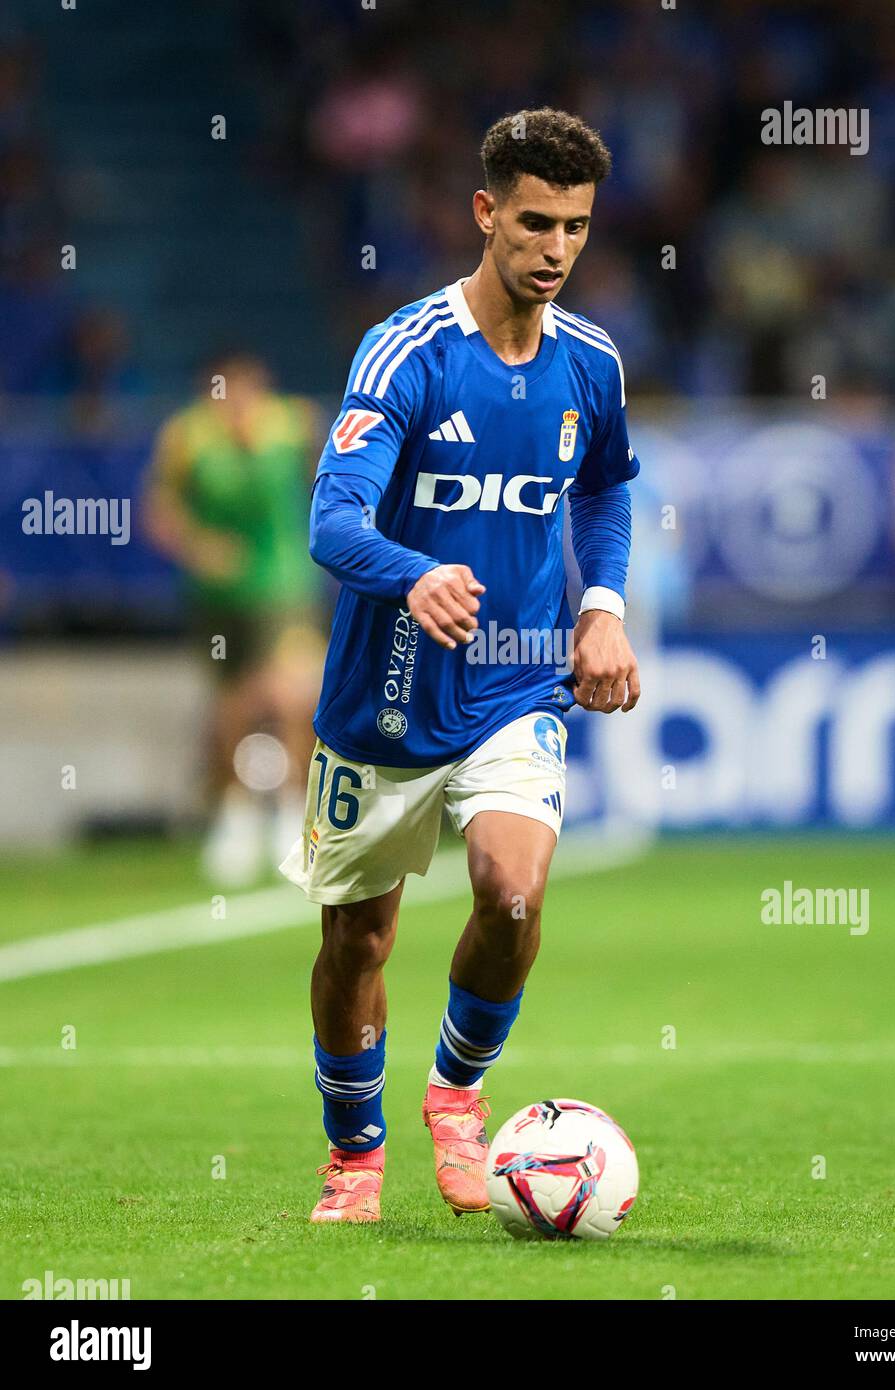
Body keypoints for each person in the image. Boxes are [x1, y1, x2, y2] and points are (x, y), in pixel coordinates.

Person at [279, 109, 641, 1223]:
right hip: (382, 704)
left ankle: (455, 1097)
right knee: (358, 940)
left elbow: (605, 483)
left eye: (575, 227)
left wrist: (600, 605)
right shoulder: (406, 354)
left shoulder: (589, 361)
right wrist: (412, 572)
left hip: (514, 683)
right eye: (534, 221)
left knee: (513, 891)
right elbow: (330, 523)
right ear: (485, 214)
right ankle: (354, 1152)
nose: (555, 247)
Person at [144, 351, 325, 884]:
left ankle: (294, 815)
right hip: (218, 595)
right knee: (231, 704)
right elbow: (160, 508)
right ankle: (236, 815)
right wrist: (198, 546)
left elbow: (335, 482)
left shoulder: (293, 425)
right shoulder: (187, 437)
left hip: (285, 586)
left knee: (289, 696)